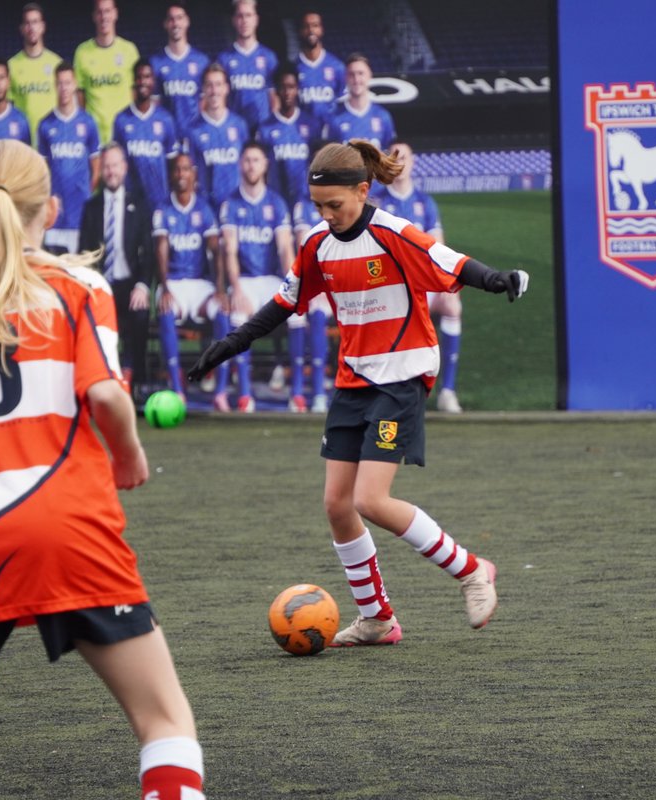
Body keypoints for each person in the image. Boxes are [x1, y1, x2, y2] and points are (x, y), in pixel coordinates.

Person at [0, 138, 205, 800]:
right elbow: (107, 395)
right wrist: (131, 459)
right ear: (50, 208)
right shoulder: (79, 286)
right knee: (165, 719)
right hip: (69, 524)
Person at [188, 140, 528, 643]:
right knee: (337, 505)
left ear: (363, 190)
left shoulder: (394, 235)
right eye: (319, 207)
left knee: (370, 499)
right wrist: (229, 344)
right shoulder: (317, 245)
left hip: (402, 376)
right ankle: (377, 618)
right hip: (354, 381)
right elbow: (284, 304)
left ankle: (473, 571)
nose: (327, 216)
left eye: (335, 206)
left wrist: (499, 279)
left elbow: (450, 263)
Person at [372, 142, 463, 412]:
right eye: (394, 157)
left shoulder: (425, 202)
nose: (399, 162)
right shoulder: (377, 202)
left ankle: (447, 391)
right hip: (390, 286)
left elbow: (439, 248)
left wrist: (447, 283)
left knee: (452, 305)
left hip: (423, 284)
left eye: (405, 157)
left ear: (413, 162)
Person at [213, 142, 293, 413]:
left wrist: (294, 283)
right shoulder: (231, 204)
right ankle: (245, 394)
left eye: (256, 160)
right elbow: (230, 251)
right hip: (245, 279)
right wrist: (235, 288)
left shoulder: (276, 202)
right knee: (237, 316)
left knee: (300, 314)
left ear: (265, 164)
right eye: (247, 160)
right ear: (240, 164)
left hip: (272, 279)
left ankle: (300, 395)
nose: (251, 165)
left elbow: (284, 248)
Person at [79, 142, 153, 394]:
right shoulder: (91, 207)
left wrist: (143, 285)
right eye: (107, 166)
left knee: (140, 312)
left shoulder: (140, 205)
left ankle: (136, 378)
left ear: (124, 168)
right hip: (102, 285)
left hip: (129, 284)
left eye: (115, 166)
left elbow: (149, 252)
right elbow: (84, 254)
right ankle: (100, 379)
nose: (111, 172)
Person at [153, 152, 223, 400]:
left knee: (222, 310)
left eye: (186, 169)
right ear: (171, 175)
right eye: (177, 170)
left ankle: (221, 391)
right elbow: (160, 248)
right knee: (166, 309)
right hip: (173, 283)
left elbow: (216, 250)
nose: (182, 174)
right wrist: (164, 287)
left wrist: (220, 288)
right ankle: (177, 387)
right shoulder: (162, 209)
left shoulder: (204, 209)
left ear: (194, 174)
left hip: (200, 284)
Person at [37, 62, 101, 255]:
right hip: (55, 215)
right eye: (60, 83)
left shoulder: (88, 123)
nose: (64, 88)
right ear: (55, 86)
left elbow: (96, 168)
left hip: (80, 213)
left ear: (74, 85)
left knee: (79, 270)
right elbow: (42, 170)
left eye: (68, 83)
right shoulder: (45, 125)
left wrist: (85, 195)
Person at [113, 59, 181, 212]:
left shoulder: (166, 119)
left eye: (147, 77)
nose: (143, 81)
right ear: (134, 81)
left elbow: (172, 164)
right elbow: (117, 163)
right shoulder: (121, 120)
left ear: (153, 82)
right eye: (139, 77)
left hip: (159, 202)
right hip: (130, 201)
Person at [74, 0, 140, 144]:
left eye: (108, 11)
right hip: (95, 136)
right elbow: (80, 98)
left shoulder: (129, 51)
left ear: (115, 14)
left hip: (125, 134)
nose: (104, 16)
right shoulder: (82, 53)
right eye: (100, 12)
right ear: (94, 16)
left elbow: (136, 93)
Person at [256, 63, 320, 208]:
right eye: (282, 87)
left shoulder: (311, 125)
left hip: (306, 200)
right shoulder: (265, 128)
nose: (287, 92)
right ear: (276, 90)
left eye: (291, 87)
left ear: (297, 89)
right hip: (275, 199)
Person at [290, 190, 331, 413]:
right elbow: (306, 251)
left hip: (347, 284)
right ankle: (313, 393)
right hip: (319, 284)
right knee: (312, 309)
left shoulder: (347, 202)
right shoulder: (304, 206)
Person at [185, 62, 248, 207]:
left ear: (226, 88)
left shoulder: (239, 125)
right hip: (206, 207)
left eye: (218, 85)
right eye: (209, 85)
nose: (214, 91)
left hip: (236, 206)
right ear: (203, 90)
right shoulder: (193, 130)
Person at [216, 0, 278, 133]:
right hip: (234, 129)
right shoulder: (224, 58)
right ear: (233, 20)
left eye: (249, 15)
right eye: (240, 16)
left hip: (262, 128)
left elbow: (274, 98)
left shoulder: (268, 57)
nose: (244, 20)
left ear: (256, 19)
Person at [8, 2, 62, 147]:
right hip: (23, 144)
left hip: (53, 142)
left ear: (42, 26)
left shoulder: (56, 63)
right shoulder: (12, 66)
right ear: (22, 29)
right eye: (27, 23)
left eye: (35, 22)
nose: (31, 27)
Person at [150, 3, 210, 134]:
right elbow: (154, 105)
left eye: (179, 18)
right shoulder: (156, 63)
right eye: (171, 19)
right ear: (165, 24)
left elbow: (205, 102)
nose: (175, 23)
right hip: (168, 135)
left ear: (187, 21)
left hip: (195, 134)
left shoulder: (201, 61)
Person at [327, 54, 394, 151]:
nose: (356, 79)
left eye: (361, 73)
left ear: (369, 76)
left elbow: (389, 154)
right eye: (351, 74)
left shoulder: (383, 116)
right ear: (345, 78)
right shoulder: (335, 118)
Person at [295, 11, 345, 130]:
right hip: (303, 132)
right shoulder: (294, 68)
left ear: (322, 30)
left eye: (315, 25)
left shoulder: (337, 66)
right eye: (306, 26)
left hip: (331, 134)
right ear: (300, 31)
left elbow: (344, 104)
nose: (311, 30)